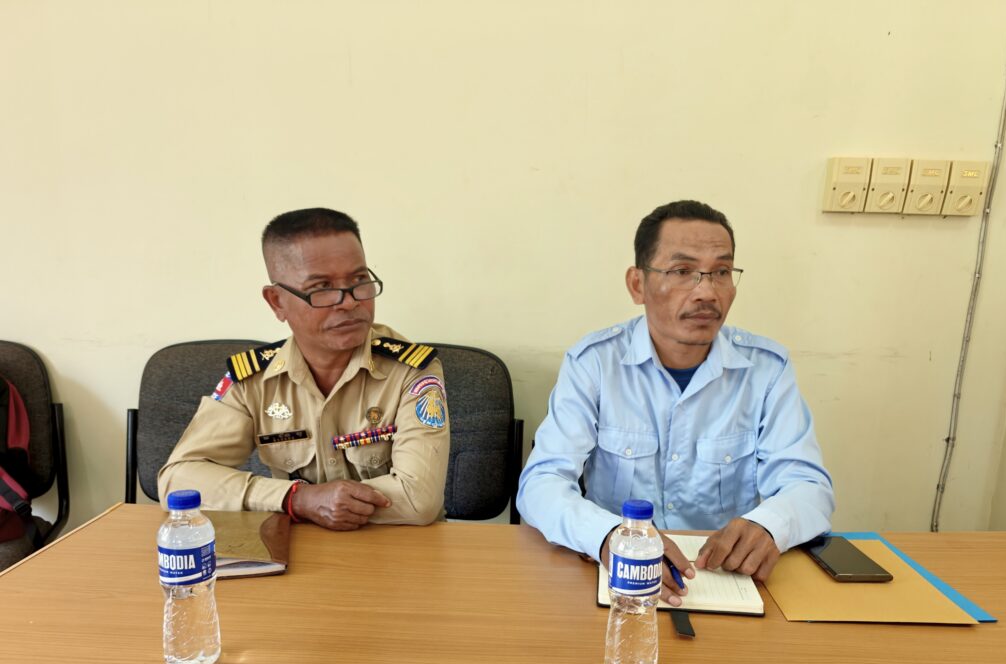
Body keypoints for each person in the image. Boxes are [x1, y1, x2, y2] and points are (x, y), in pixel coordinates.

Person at [516, 200, 833, 605]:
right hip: (621, 578)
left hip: (724, 579)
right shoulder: (594, 364)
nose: (707, 292)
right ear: (637, 284)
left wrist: (770, 525)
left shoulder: (767, 370)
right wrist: (608, 536)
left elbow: (809, 486)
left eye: (721, 272)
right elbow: (541, 484)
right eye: (683, 271)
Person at [159, 207, 450, 530]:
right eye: (322, 288)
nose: (349, 302)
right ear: (277, 302)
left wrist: (315, 503)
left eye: (359, 281)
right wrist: (295, 499)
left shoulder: (411, 370)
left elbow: (418, 499)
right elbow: (177, 480)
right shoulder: (253, 380)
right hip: (298, 546)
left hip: (399, 548)